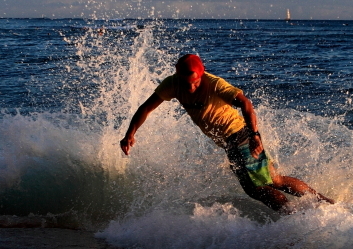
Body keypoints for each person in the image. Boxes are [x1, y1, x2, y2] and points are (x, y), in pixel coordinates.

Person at [120, 54, 333, 211]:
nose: (190, 88)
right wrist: (130, 133)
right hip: (230, 141)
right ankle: (322, 204)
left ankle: (294, 215)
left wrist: (255, 135)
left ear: (201, 75)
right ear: (177, 75)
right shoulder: (172, 84)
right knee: (274, 180)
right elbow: (146, 108)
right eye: (186, 83)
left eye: (195, 83)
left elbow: (245, 103)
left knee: (256, 187)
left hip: (239, 136)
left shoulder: (215, 84)